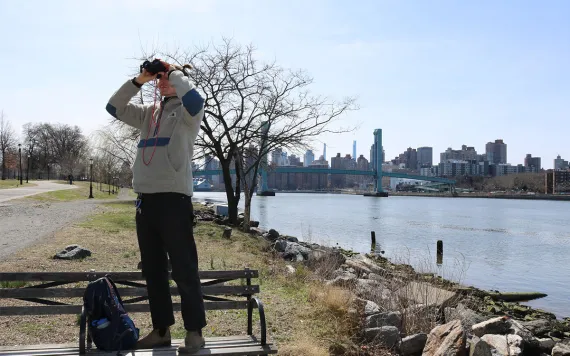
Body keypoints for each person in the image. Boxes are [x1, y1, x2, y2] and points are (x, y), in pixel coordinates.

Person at [105, 59, 206, 354]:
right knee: (154, 270)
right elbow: (114, 108)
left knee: (185, 269)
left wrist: (174, 73)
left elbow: (195, 97)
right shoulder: (151, 113)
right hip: (145, 201)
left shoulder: (190, 112)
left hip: (174, 199)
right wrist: (140, 80)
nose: (160, 81)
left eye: (165, 78)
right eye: (158, 78)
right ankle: (161, 330)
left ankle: (194, 333)